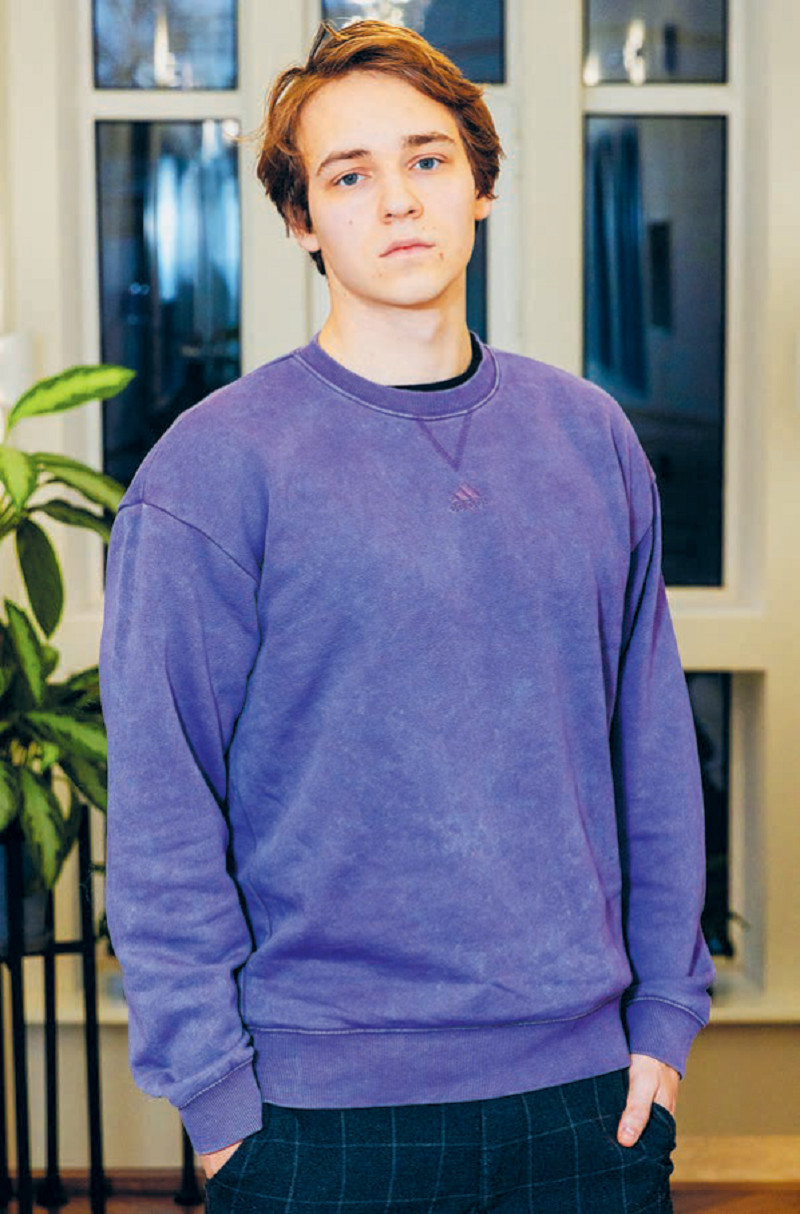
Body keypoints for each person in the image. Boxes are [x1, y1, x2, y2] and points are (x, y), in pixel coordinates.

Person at [99, 18, 716, 1213]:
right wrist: (218, 1107)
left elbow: (649, 754)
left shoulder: (587, 437)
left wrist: (663, 1023)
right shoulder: (212, 471)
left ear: (478, 183)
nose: (396, 200)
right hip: (315, 1116)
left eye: (427, 159)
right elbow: (164, 806)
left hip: (586, 1098)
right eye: (348, 175)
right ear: (300, 220)